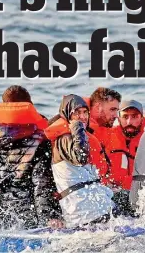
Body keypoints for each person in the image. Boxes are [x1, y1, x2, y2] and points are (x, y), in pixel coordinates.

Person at [0, 87, 63, 229]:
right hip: (29, 215)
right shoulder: (39, 138)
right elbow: (41, 183)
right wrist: (48, 218)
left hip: (1, 214)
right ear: (29, 106)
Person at [45, 94, 114, 227]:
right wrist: (77, 128)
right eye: (77, 113)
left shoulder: (81, 137)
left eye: (85, 112)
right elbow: (80, 157)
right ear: (67, 115)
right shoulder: (63, 139)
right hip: (82, 213)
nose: (82, 117)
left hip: (96, 207)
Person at [86, 87, 121, 185]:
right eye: (112, 110)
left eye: (117, 110)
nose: (116, 115)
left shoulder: (104, 131)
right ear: (98, 107)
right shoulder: (79, 129)